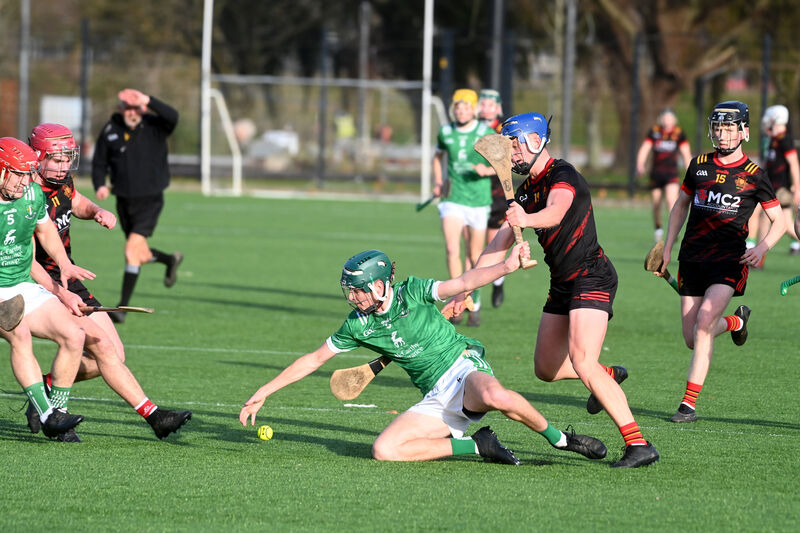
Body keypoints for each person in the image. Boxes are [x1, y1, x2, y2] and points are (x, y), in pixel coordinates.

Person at [240, 245, 609, 466]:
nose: (353, 299)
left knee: (496, 396)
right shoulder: (358, 326)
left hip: (463, 368)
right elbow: (313, 359)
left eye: (359, 291)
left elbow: (461, 283)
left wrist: (506, 267)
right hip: (435, 396)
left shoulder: (413, 291)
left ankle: (561, 439)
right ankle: (478, 445)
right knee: (384, 450)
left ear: (381, 284)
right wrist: (265, 391)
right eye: (349, 292)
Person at [451, 112, 659, 468]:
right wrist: (464, 288)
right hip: (562, 282)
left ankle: (639, 444)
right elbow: (497, 247)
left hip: (591, 276)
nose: (510, 153)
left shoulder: (563, 175)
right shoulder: (527, 191)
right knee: (546, 368)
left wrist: (526, 220)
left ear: (535, 141)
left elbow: (558, 211)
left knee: (582, 361)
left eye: (514, 144)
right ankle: (607, 375)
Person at [24, 123, 192, 442]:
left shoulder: (61, 182)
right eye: (55, 159)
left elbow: (76, 202)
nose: (63, 166)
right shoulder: (27, 195)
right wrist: (59, 291)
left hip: (67, 278)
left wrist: (97, 211)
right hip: (43, 284)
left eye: (66, 159)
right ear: (37, 157)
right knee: (98, 345)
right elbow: (27, 260)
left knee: (114, 352)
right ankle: (153, 416)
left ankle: (43, 391)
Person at [658, 101, 785, 423]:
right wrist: (667, 246)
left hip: (729, 260)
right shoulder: (698, 165)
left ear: (744, 131)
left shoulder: (755, 176)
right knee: (692, 337)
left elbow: (779, 220)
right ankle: (736, 323)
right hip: (692, 257)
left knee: (703, 323)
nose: (722, 133)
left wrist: (763, 247)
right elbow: (680, 206)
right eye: (718, 127)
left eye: (729, 127)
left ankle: (687, 406)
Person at [0, 136, 92, 440]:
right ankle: (48, 415)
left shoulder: (32, 194)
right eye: (19, 174)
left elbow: (45, 229)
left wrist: (63, 268)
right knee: (21, 337)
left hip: (23, 281)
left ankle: (58, 413)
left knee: (74, 334)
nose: (25, 182)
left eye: (29, 174)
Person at [91, 88, 182, 324]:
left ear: (141, 108)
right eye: (128, 107)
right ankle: (170, 260)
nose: (132, 112)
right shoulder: (111, 130)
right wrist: (99, 184)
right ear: (120, 108)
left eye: (136, 107)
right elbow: (99, 161)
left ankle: (123, 307)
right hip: (124, 201)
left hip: (150, 200)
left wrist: (148, 100)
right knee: (138, 253)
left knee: (131, 249)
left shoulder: (155, 125)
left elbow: (173, 116)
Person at [432, 89, 495, 326]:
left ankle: (474, 299)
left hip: (478, 201)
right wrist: (439, 182)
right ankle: (457, 300)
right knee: (451, 248)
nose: (461, 111)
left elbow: (502, 163)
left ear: (474, 110)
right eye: (458, 107)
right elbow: (437, 158)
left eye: (466, 107)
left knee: (474, 255)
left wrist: (486, 170)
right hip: (453, 199)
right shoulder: (446, 132)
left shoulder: (485, 132)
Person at [635, 108, 692, 243]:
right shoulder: (655, 132)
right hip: (656, 174)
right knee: (656, 203)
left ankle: (673, 230)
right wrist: (640, 165)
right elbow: (644, 149)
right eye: (665, 117)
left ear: (674, 120)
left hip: (671, 174)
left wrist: (690, 169)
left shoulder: (678, 133)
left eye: (669, 117)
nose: (667, 120)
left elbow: (686, 153)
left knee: (671, 200)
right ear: (661, 119)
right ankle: (658, 229)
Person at [476, 88, 508, 308]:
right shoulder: (472, 127)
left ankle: (498, 282)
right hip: (472, 194)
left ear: (497, 108)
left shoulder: (503, 129)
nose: (485, 108)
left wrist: (487, 171)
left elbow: (507, 160)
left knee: (492, 244)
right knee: (473, 247)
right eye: (483, 104)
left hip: (496, 194)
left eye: (490, 104)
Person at [757, 105, 800, 256]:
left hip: (780, 188)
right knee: (788, 225)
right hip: (773, 186)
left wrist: (797, 188)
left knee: (764, 217)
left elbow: (794, 164)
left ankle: (758, 257)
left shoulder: (785, 140)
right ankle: (758, 255)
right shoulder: (774, 140)